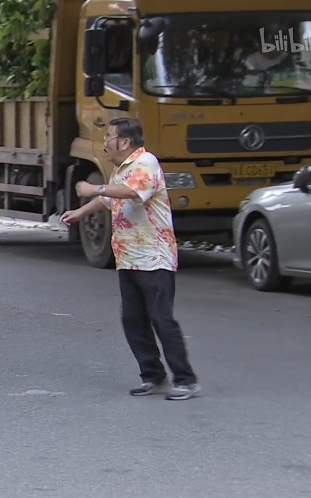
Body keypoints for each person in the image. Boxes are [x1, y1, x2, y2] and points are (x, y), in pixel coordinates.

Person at [61, 117, 200, 401]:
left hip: (154, 256)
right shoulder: (122, 169)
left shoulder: (145, 163)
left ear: (125, 142)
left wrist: (94, 188)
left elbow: (133, 192)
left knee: (161, 318)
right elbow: (110, 199)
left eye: (109, 137)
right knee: (133, 319)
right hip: (128, 257)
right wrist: (81, 212)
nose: (105, 143)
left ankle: (185, 379)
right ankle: (153, 375)